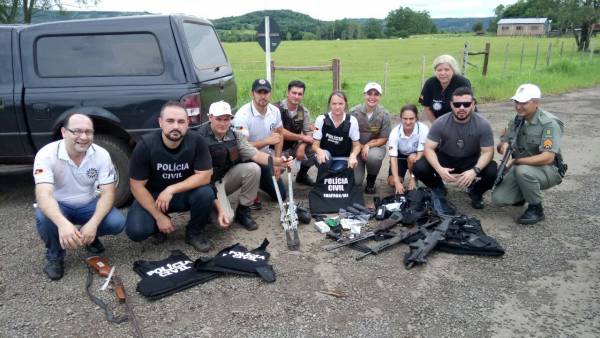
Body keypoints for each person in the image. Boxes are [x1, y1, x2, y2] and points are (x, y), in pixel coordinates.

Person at [33, 113, 125, 280]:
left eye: (88, 132)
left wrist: (93, 224)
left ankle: (89, 237)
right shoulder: (46, 154)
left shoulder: (101, 154)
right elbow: (43, 195)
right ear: (63, 132)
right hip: (59, 204)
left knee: (117, 222)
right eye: (77, 131)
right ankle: (55, 256)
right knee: (44, 217)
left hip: (88, 203)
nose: (83, 137)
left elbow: (108, 193)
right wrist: (62, 224)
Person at [125, 101, 216, 252]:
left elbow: (205, 176)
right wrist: (158, 216)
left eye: (181, 121)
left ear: (187, 123)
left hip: (182, 194)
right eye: (170, 121)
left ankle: (194, 232)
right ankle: (157, 227)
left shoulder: (197, 141)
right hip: (153, 196)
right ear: (161, 122)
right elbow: (136, 186)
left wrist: (171, 189)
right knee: (136, 231)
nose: (176, 126)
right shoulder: (145, 145)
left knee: (206, 193)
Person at [197, 101, 293, 231]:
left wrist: (279, 161)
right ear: (210, 117)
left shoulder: (235, 135)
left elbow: (256, 155)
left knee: (254, 168)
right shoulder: (199, 138)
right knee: (224, 222)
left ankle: (243, 211)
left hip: (226, 177)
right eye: (219, 119)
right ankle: (208, 208)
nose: (223, 123)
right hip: (209, 183)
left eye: (226, 119)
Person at [413, 86, 497, 214]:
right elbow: (429, 148)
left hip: (471, 159)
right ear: (451, 105)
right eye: (457, 104)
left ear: (473, 104)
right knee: (419, 167)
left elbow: (488, 152)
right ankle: (437, 186)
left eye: (466, 104)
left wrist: (475, 171)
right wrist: (439, 169)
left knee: (492, 171)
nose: (461, 108)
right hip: (446, 157)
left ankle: (476, 191)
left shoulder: (483, 124)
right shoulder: (440, 122)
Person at [492, 84, 565, 224]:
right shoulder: (516, 119)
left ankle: (536, 209)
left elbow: (548, 157)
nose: (518, 106)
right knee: (498, 199)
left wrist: (516, 162)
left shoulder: (548, 124)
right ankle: (523, 194)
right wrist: (504, 147)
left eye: (524, 103)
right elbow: (504, 144)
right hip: (522, 167)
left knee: (522, 171)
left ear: (536, 102)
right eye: (516, 102)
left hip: (549, 169)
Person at [233, 79, 286, 209]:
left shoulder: (275, 111)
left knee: (282, 195)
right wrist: (266, 141)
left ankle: (261, 180)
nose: (263, 96)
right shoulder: (242, 115)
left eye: (266, 92)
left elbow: (280, 134)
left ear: (270, 94)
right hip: (247, 159)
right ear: (252, 94)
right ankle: (251, 186)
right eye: (259, 92)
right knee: (253, 167)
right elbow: (241, 148)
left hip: (266, 158)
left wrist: (277, 162)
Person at [350, 82, 392, 194]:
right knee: (356, 181)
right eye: (369, 93)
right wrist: (361, 147)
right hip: (356, 147)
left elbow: (384, 139)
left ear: (380, 97)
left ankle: (371, 181)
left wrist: (368, 145)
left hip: (375, 147)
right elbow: (348, 135)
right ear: (364, 95)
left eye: (376, 94)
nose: (372, 97)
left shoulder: (384, 114)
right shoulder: (354, 112)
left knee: (374, 157)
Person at [275, 80, 316, 186]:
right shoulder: (275, 109)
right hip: (275, 148)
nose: (296, 96)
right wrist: (301, 137)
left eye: (300, 94)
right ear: (287, 93)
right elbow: (280, 131)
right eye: (294, 93)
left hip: (293, 147)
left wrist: (302, 146)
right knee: (275, 179)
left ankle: (301, 175)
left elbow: (309, 133)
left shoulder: (304, 111)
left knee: (315, 149)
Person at [312, 90, 361, 171]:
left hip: (343, 158)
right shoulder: (321, 119)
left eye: (340, 103)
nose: (337, 107)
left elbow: (357, 145)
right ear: (329, 105)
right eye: (334, 104)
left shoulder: (352, 121)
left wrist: (353, 156)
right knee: (324, 163)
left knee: (337, 171)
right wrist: (319, 151)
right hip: (326, 155)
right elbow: (314, 145)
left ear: (345, 104)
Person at [386, 104, 430, 194]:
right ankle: (401, 180)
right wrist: (397, 182)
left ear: (416, 118)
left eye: (411, 118)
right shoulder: (394, 133)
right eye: (405, 119)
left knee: (412, 158)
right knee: (392, 182)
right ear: (401, 118)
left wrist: (413, 177)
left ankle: (415, 179)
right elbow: (393, 159)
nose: (408, 122)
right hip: (400, 157)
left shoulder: (423, 129)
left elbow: (420, 154)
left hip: (416, 156)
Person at [419, 54, 472, 122]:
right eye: (439, 70)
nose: (443, 73)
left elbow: (469, 107)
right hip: (439, 123)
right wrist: (437, 126)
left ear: (453, 70)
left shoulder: (463, 83)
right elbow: (427, 108)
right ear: (435, 71)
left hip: (462, 122)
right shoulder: (430, 83)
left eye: (447, 70)